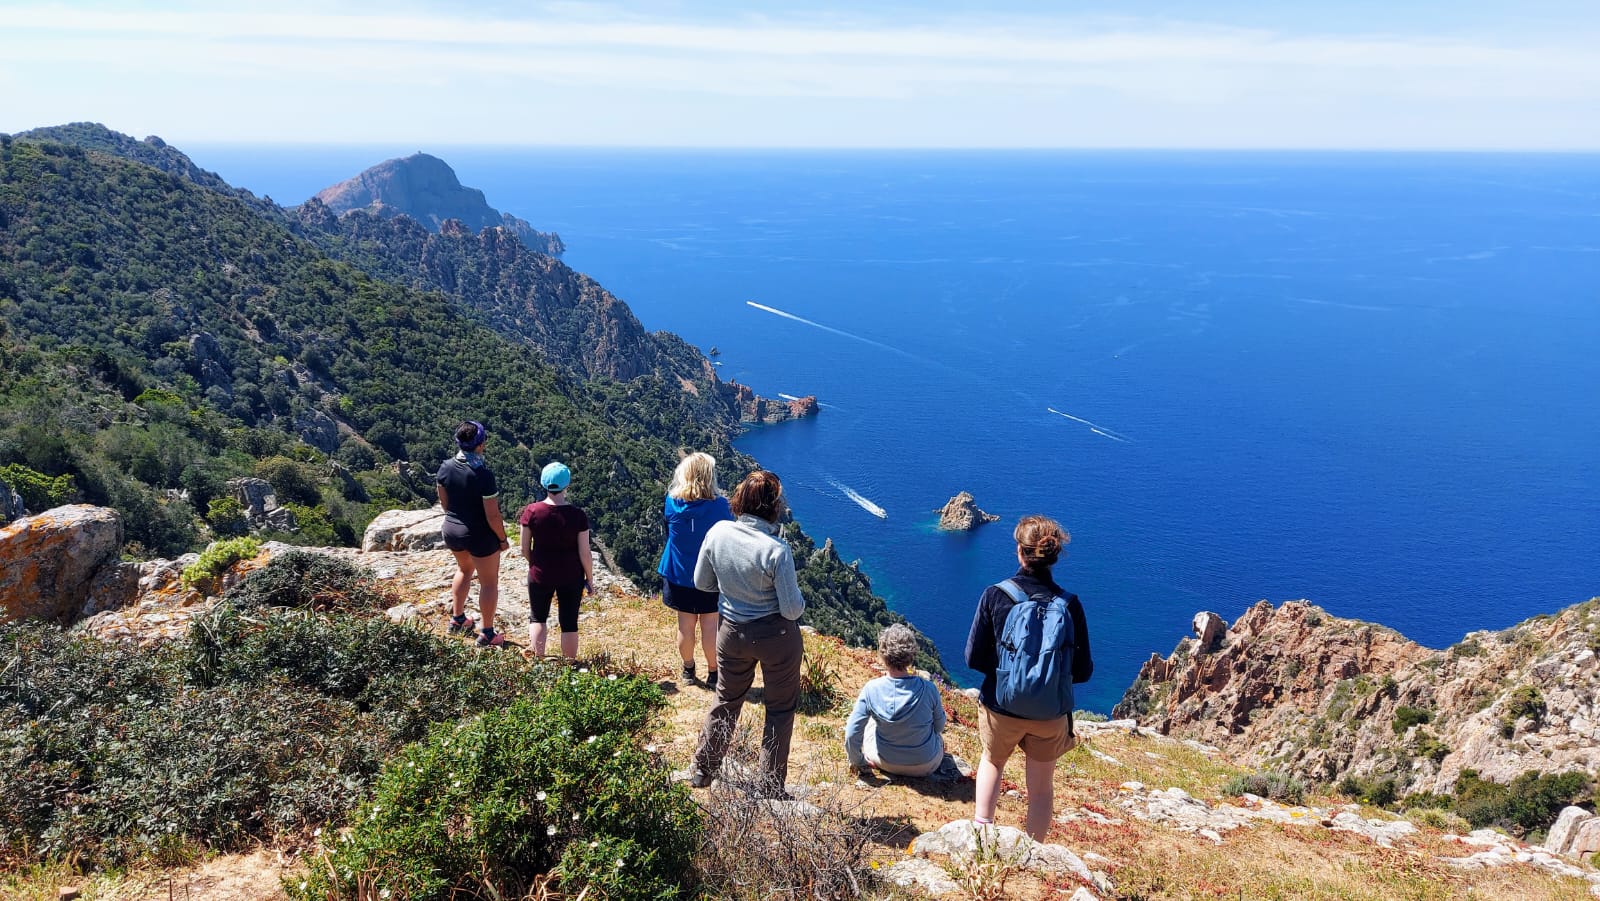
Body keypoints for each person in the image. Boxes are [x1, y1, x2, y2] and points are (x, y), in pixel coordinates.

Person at [964, 515, 1093, 840]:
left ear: (1020, 552)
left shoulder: (996, 595)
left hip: (1000, 705)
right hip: (1049, 713)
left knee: (992, 762)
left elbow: (973, 658)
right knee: (1040, 788)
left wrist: (1011, 676)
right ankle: (1033, 852)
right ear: (1053, 555)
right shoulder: (1070, 605)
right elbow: (1083, 671)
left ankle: (982, 836)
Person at [686, 470, 806, 796]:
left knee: (726, 699)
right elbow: (792, 610)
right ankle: (768, 788)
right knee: (779, 710)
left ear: (739, 500)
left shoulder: (718, 532)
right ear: (772, 507)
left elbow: (702, 583)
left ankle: (702, 770)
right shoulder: (776, 550)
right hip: (776, 637)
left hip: (732, 632)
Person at [657, 452, 734, 689]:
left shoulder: (672, 502)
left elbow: (669, 529)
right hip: (709, 577)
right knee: (711, 626)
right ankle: (714, 672)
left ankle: (688, 669)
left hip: (679, 574)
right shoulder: (721, 506)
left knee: (685, 626)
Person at [436, 421, 509, 648]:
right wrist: (502, 539)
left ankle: (458, 620)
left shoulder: (445, 467)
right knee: (489, 583)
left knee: (464, 570)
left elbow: (444, 504)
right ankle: (487, 633)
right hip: (479, 535)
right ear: (480, 445)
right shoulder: (483, 475)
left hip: (452, 530)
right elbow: (493, 517)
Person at [843, 624, 946, 778]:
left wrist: (858, 761)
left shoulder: (871, 689)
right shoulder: (929, 688)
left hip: (884, 762)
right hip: (925, 764)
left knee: (871, 721)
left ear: (883, 655)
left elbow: (852, 733)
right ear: (911, 656)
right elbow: (939, 727)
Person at [519, 461, 592, 659]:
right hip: (571, 575)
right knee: (569, 623)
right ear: (566, 485)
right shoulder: (578, 516)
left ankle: (538, 662)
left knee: (538, 618)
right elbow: (585, 552)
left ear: (543, 484)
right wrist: (589, 579)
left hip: (540, 573)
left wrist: (534, 564)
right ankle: (570, 666)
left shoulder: (532, 512)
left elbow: (524, 548)